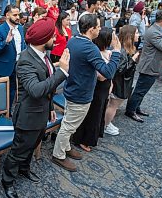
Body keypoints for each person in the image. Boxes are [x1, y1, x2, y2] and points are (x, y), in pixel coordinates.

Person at [1, 18, 69, 198]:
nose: (56, 37)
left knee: (31, 147)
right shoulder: (25, 60)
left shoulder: (43, 55)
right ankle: (7, 181)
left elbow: (47, 88)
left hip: (41, 113)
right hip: (28, 117)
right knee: (18, 151)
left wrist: (50, 108)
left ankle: (24, 169)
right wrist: (62, 72)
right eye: (53, 35)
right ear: (43, 39)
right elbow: (36, 90)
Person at [52, 14, 121, 171]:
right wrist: (116, 52)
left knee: (69, 123)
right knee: (69, 126)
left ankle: (66, 146)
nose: (100, 30)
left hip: (72, 88)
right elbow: (107, 73)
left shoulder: (74, 40)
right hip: (80, 93)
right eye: (98, 27)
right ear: (91, 30)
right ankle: (58, 155)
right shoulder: (90, 48)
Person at [125, 10, 162, 122]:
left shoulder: (159, 29)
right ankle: (130, 111)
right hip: (149, 65)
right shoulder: (154, 32)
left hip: (154, 65)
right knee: (140, 90)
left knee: (143, 89)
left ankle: (136, 107)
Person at [71, 27, 114, 151]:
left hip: (105, 87)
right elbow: (101, 77)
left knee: (99, 112)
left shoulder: (108, 53)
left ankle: (94, 135)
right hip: (96, 87)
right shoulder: (95, 53)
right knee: (92, 114)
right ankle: (84, 139)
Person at [104, 25, 139, 136]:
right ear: (130, 36)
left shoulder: (127, 49)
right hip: (119, 84)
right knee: (113, 106)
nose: (138, 35)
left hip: (123, 83)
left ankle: (106, 123)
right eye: (136, 33)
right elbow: (119, 70)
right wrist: (132, 61)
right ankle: (105, 125)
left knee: (112, 105)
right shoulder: (122, 51)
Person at [0, 5, 26, 110]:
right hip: (4, 67)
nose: (17, 17)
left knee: (13, 90)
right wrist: (5, 42)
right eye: (14, 15)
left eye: (18, 14)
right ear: (7, 15)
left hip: (18, 65)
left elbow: (22, 45)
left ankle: (9, 110)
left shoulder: (20, 28)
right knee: (1, 93)